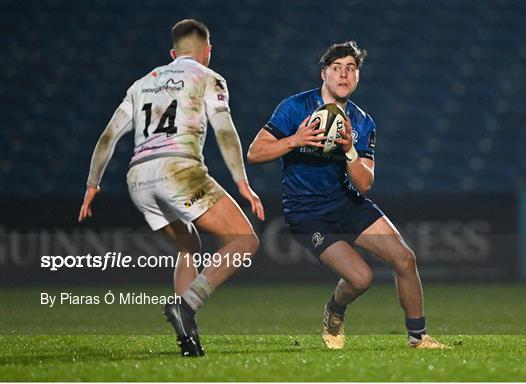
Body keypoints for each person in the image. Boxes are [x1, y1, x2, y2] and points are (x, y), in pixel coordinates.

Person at [78, 19, 265, 357]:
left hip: (138, 178)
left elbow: (108, 136)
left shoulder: (142, 84)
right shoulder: (208, 77)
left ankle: (187, 338)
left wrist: (93, 184)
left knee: (187, 247)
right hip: (178, 169)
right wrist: (242, 181)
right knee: (245, 241)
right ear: (208, 51)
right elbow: (224, 130)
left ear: (172, 53)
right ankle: (187, 305)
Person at [247, 41, 446, 349]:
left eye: (351, 69)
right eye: (337, 68)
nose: (344, 75)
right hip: (307, 213)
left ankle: (417, 338)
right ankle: (335, 310)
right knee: (361, 279)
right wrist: (295, 139)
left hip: (346, 203)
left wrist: (349, 150)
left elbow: (365, 184)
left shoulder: (362, 122)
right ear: (323, 73)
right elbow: (255, 153)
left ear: (357, 77)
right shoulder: (294, 107)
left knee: (405, 259)